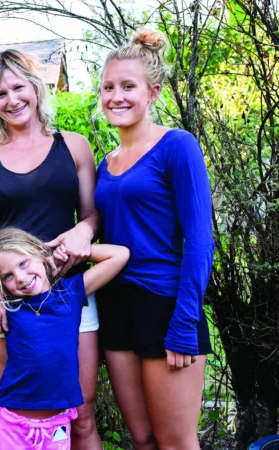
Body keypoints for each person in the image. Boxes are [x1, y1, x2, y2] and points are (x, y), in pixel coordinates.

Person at [0, 49, 102, 448]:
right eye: (0, 93)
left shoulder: (74, 146)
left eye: (18, 87)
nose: (11, 99)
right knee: (24, 415)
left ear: (35, 87)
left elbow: (94, 216)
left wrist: (84, 230)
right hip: (6, 301)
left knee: (82, 413)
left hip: (70, 295)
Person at [94, 29, 214, 450]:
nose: (116, 96)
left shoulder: (178, 147)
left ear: (154, 93)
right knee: (142, 439)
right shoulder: (103, 163)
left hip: (165, 306)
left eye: (128, 86)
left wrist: (184, 323)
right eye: (109, 87)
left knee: (175, 442)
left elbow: (200, 241)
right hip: (116, 305)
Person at [0, 228, 129, 450]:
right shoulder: (9, 306)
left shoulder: (70, 293)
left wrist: (60, 250)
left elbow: (120, 255)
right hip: (10, 426)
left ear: (39, 254)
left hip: (57, 425)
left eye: (23, 263)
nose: (20, 277)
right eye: (7, 276)